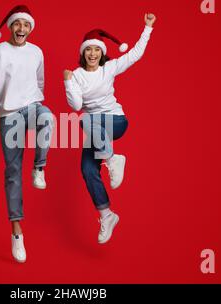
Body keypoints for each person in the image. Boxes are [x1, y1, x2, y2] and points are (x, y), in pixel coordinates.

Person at [63, 13, 156, 244]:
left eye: (96, 50)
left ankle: (113, 158)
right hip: (95, 130)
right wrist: (67, 81)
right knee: (87, 170)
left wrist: (147, 28)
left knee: (85, 120)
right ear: (83, 53)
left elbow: (135, 54)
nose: (92, 54)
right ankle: (107, 215)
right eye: (88, 50)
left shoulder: (109, 68)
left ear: (102, 52)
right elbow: (75, 105)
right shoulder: (75, 76)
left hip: (115, 121)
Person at [0, 5, 53, 263]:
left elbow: (40, 82)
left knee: (47, 117)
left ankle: (39, 168)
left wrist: (35, 102)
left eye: (26, 25)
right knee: (13, 173)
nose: (21, 29)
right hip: (8, 115)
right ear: (11, 27)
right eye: (17, 24)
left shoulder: (36, 52)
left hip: (32, 107)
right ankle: (17, 233)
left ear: (30, 29)